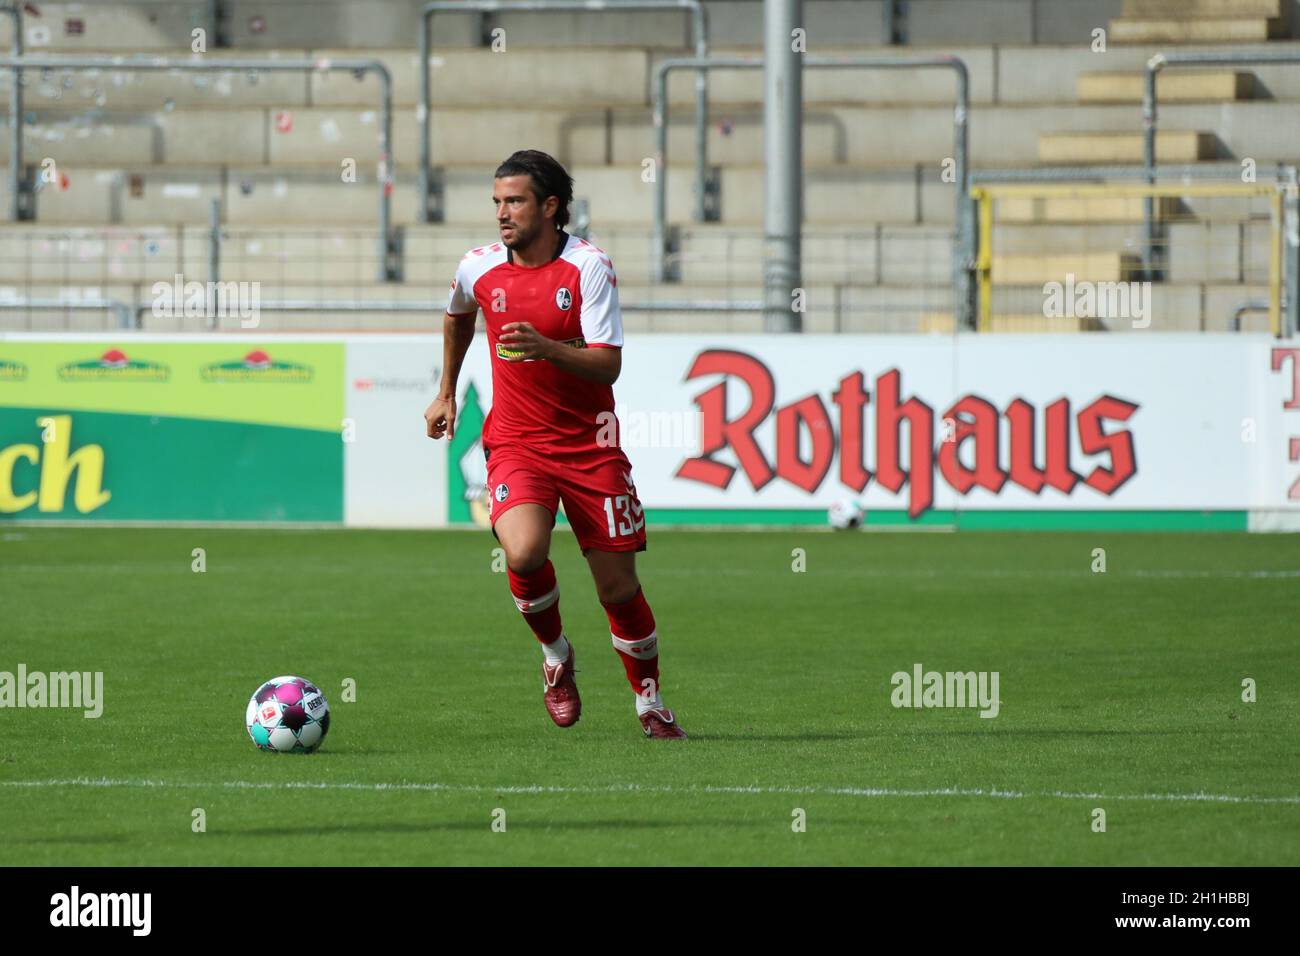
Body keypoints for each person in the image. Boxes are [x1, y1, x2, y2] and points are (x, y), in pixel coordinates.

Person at [424, 149, 687, 739]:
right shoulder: (479, 267)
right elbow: (457, 315)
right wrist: (447, 392)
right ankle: (556, 657)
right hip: (518, 442)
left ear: (550, 206)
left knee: (617, 588)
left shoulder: (587, 267)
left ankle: (649, 700)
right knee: (522, 552)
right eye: (496, 202)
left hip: (591, 448)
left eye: (514, 201)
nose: (502, 213)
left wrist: (547, 348)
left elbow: (606, 366)